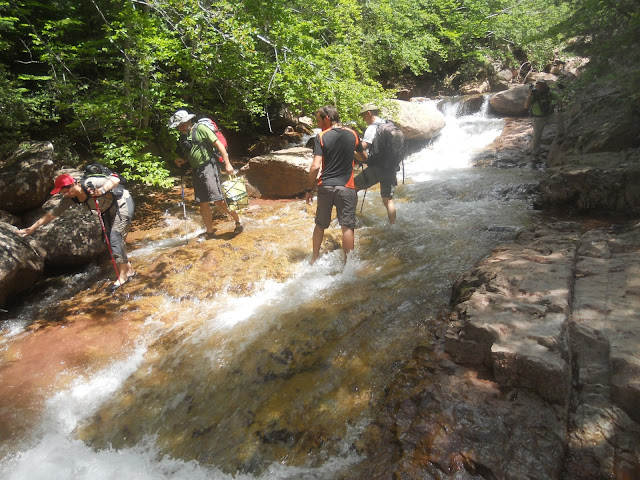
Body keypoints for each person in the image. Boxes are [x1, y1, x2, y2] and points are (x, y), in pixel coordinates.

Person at [18, 172, 136, 286]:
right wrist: (32, 228)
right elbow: (53, 213)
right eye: (62, 193)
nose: (65, 194)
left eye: (66, 191)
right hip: (108, 211)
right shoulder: (70, 198)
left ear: (73, 184)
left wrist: (101, 190)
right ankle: (129, 270)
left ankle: (122, 276)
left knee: (115, 238)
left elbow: (115, 179)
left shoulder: (90, 183)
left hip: (122, 203)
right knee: (109, 241)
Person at [168, 109, 243, 239]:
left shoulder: (201, 129)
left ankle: (239, 221)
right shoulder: (185, 135)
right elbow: (193, 152)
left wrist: (227, 164)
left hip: (209, 167)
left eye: (182, 124)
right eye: (178, 126)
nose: (181, 128)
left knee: (217, 200)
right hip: (197, 170)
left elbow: (219, 145)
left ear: (189, 121)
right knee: (202, 202)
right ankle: (210, 232)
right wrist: (183, 161)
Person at [305, 105, 363, 264]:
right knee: (347, 227)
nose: (318, 124)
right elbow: (363, 156)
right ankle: (348, 265)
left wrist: (309, 188)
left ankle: (314, 259)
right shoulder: (352, 134)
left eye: (319, 120)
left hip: (326, 186)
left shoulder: (321, 136)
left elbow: (315, 166)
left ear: (327, 118)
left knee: (320, 224)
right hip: (347, 187)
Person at [353, 103, 397, 224]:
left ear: (369, 113)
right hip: (391, 167)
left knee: (352, 187)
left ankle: (350, 219)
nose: (363, 119)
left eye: (363, 116)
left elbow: (363, 147)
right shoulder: (388, 124)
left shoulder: (373, 128)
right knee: (388, 199)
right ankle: (393, 226)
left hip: (378, 167)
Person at [524, 80, 565, 162]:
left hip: (549, 115)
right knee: (537, 136)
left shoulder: (549, 93)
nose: (540, 87)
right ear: (537, 86)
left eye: (542, 85)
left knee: (560, 118)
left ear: (545, 85)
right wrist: (529, 96)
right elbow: (526, 106)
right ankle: (535, 155)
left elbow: (559, 98)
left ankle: (560, 136)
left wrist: (560, 109)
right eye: (539, 85)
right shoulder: (534, 94)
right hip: (538, 119)